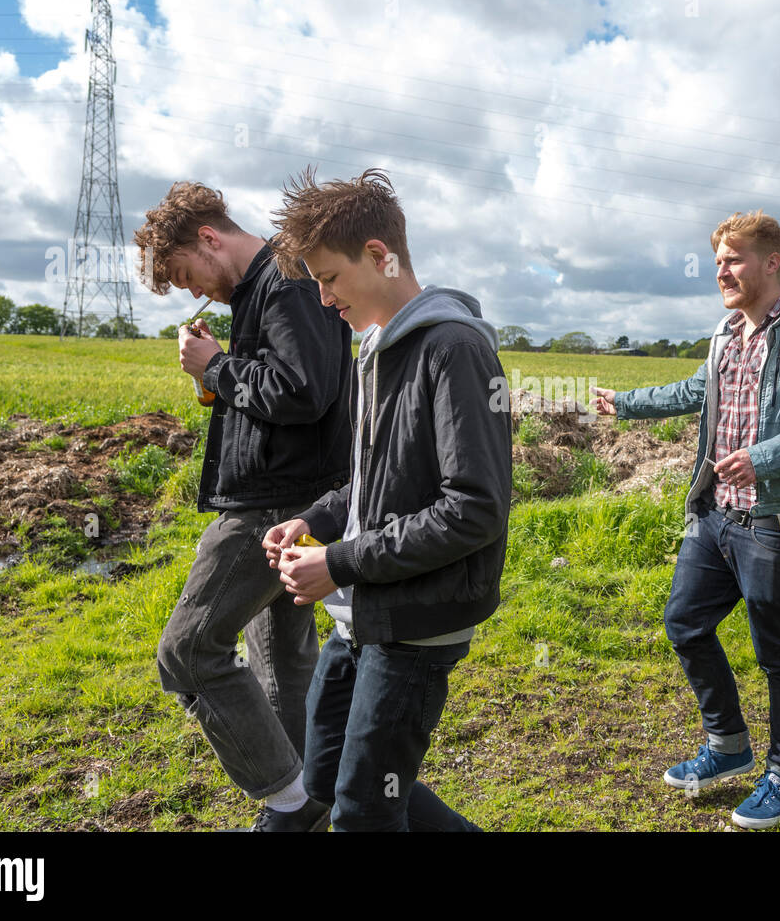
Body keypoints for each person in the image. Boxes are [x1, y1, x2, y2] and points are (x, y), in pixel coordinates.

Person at [591, 210, 780, 829]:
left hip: (779, 525)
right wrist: (627, 404)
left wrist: (766, 458)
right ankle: (728, 745)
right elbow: (699, 392)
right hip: (715, 516)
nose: (721, 268)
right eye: (717, 259)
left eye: (733, 257)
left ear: (772, 263)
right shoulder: (725, 333)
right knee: (685, 623)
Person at [260, 167, 512, 832]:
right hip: (365, 611)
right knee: (326, 775)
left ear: (378, 255)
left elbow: (475, 509)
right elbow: (370, 484)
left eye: (329, 277)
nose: (321, 298)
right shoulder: (374, 348)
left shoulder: (453, 350)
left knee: (364, 811)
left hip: (418, 621)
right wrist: (312, 520)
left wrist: (338, 562)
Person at [134, 182, 352, 831]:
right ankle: (311, 801)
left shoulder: (283, 279)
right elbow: (278, 392)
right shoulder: (265, 284)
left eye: (185, 274)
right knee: (283, 661)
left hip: (273, 505)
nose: (195, 290)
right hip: (288, 498)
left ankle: (289, 801)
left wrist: (217, 365)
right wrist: (214, 380)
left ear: (208, 238)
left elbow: (304, 390)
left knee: (188, 650)